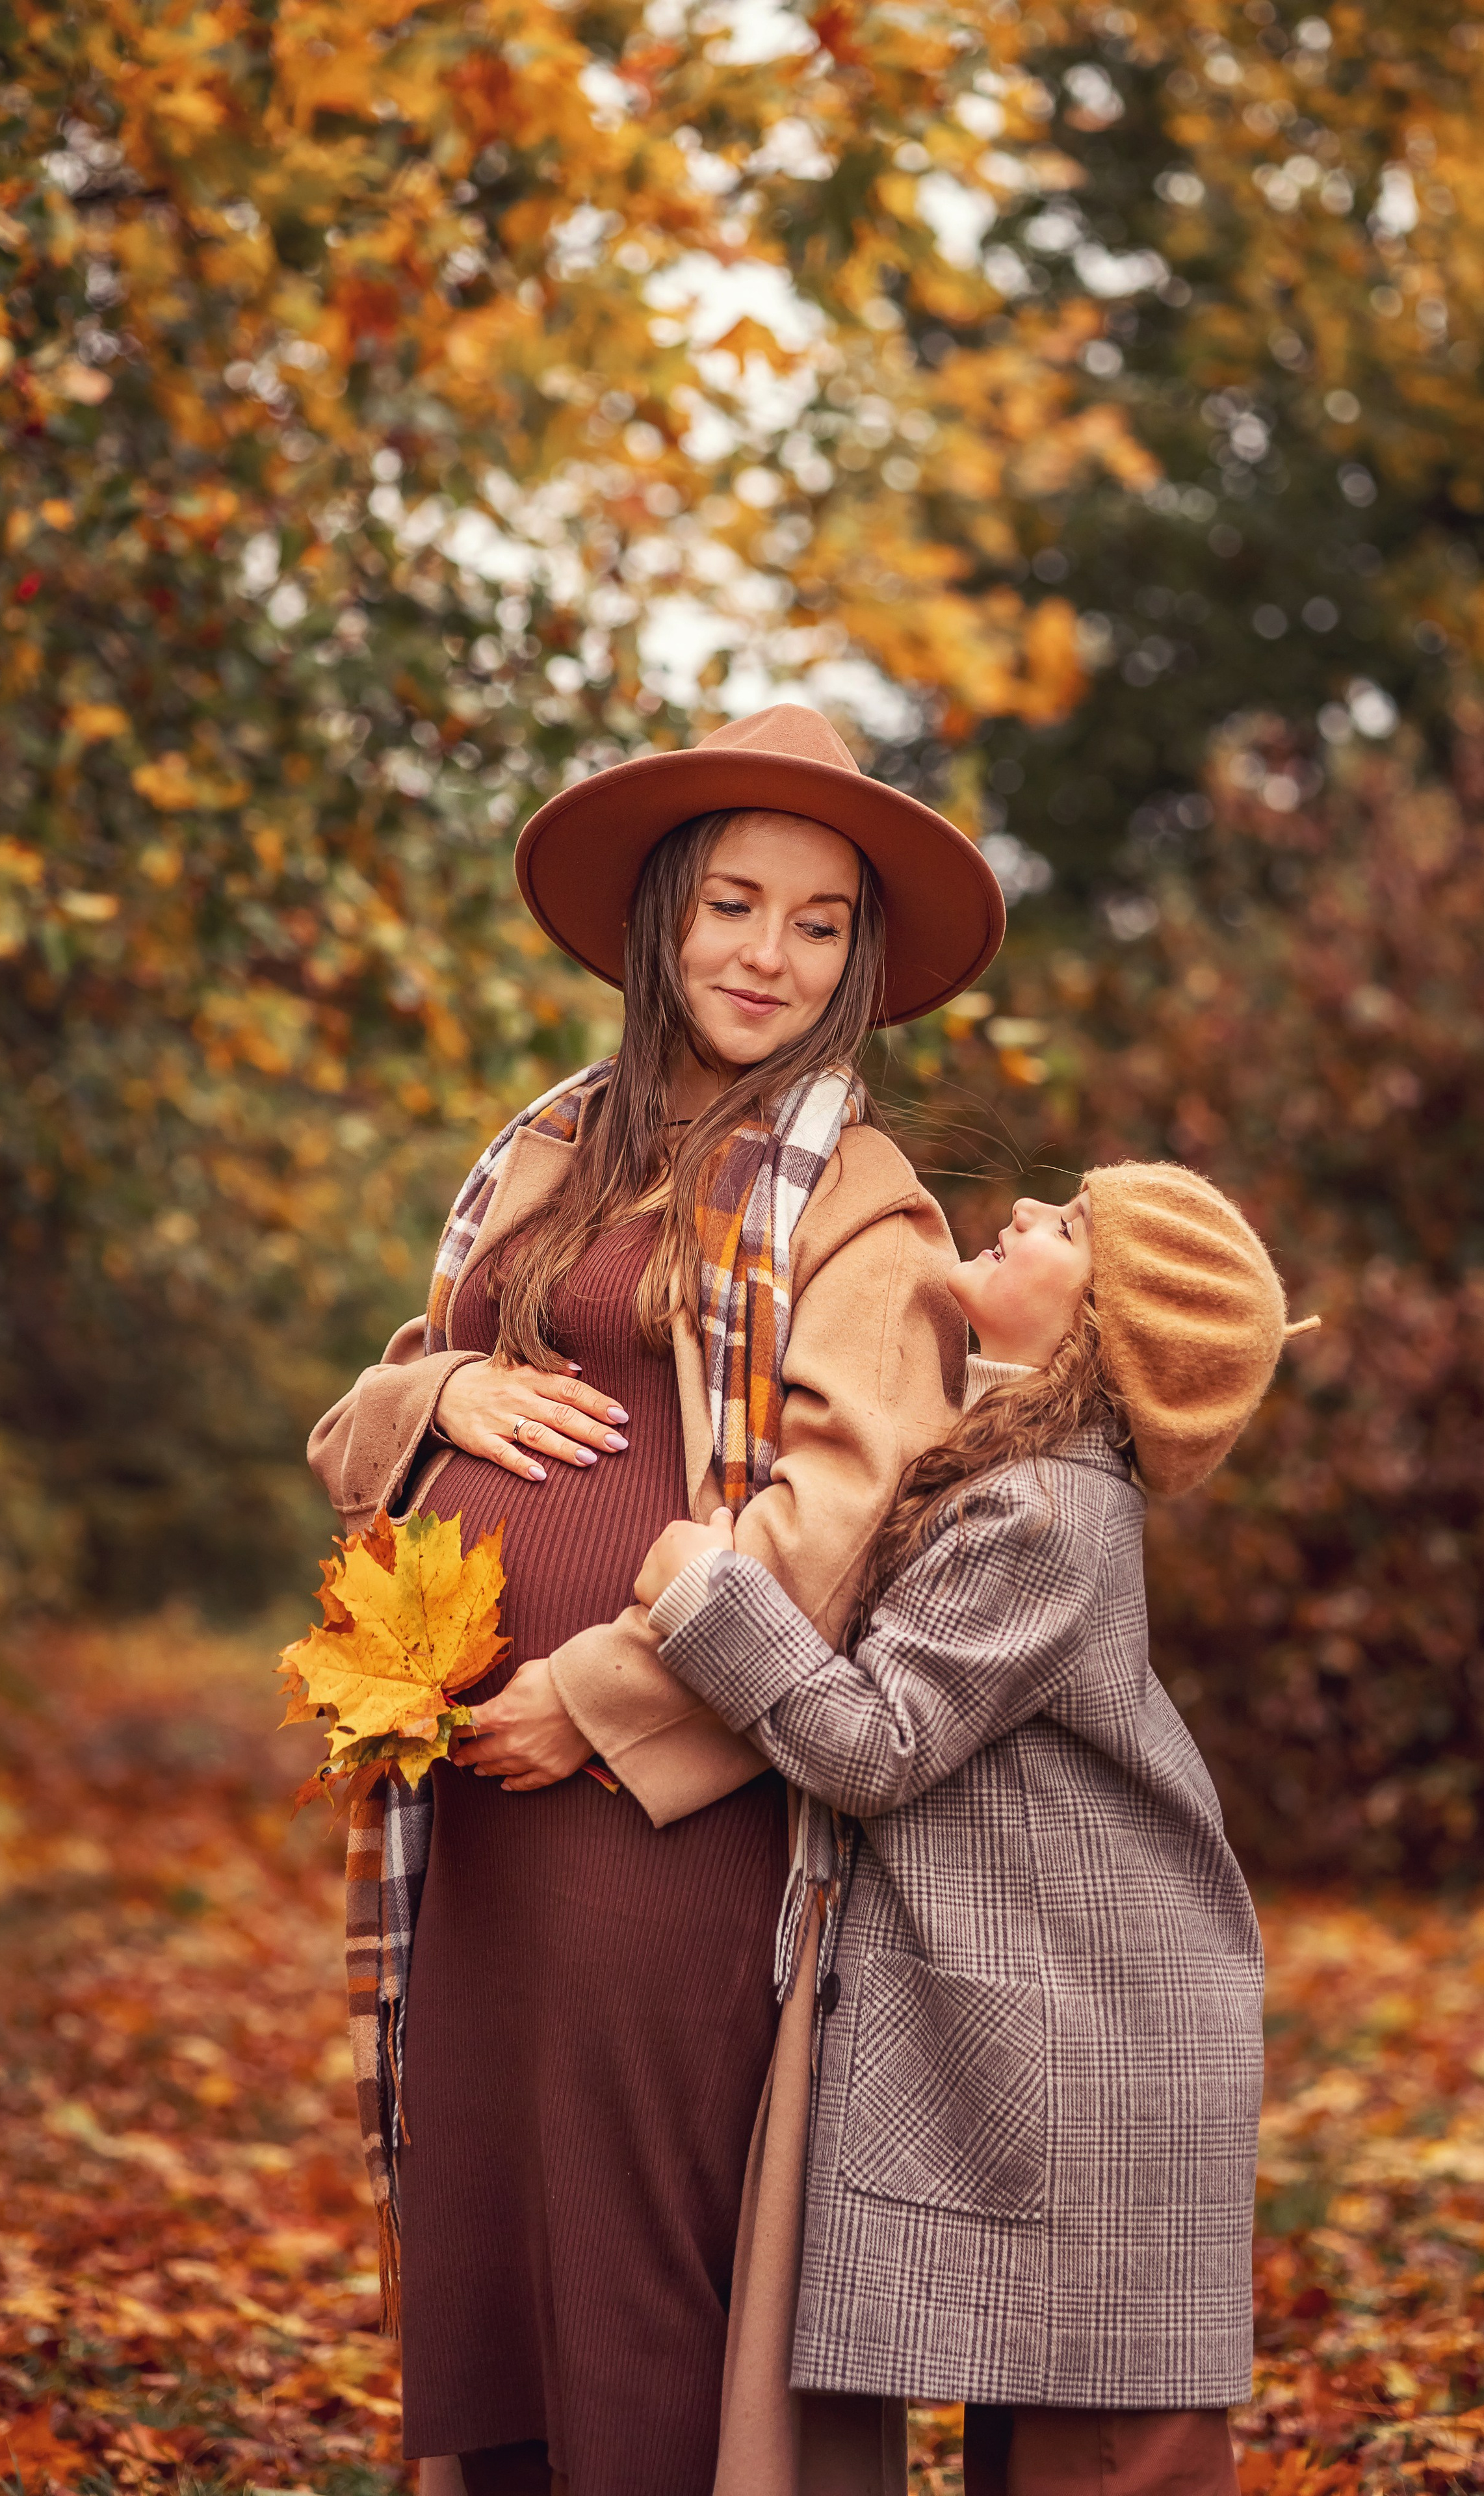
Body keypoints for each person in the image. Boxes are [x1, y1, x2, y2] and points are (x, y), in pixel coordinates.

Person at [306, 703, 1005, 2496]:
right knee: (489, 2214)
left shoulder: (865, 1204)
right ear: (660, 923)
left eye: (820, 921)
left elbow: (843, 1519)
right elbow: (370, 1404)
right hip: (475, 1800)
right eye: (734, 906)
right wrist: (438, 1398)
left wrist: (601, 1699)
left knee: (639, 2244)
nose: (770, 955)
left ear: (858, 961)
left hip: (662, 1810)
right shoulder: (551, 1147)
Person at [637, 1162, 1311, 2496]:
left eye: (1063, 1228)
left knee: (1108, 2458)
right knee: (1048, 2440)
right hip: (1083, 2029)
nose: (1018, 1216)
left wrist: (709, 1596)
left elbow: (872, 1746)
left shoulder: (1042, 1512)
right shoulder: (1017, 1474)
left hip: (1100, 2049)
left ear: (1103, 1325)